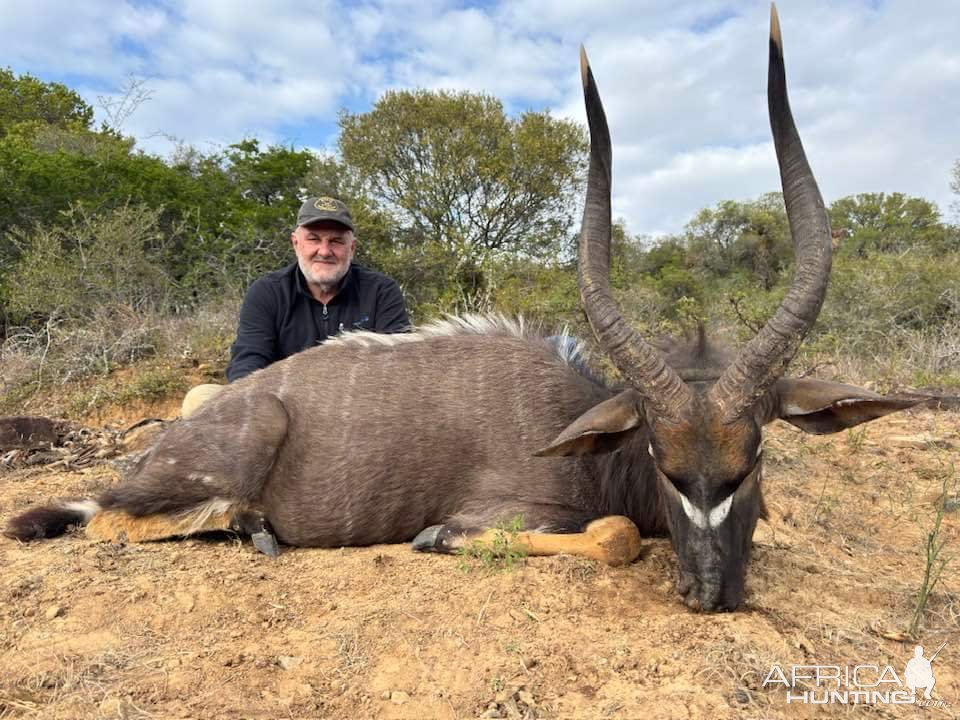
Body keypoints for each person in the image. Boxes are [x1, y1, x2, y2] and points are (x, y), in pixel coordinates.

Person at [182, 196, 410, 417]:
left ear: (352, 248)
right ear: (296, 243)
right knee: (199, 399)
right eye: (314, 239)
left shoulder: (381, 291)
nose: (324, 251)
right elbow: (248, 362)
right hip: (284, 410)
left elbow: (396, 370)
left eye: (336, 241)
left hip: (354, 413)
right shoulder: (267, 291)